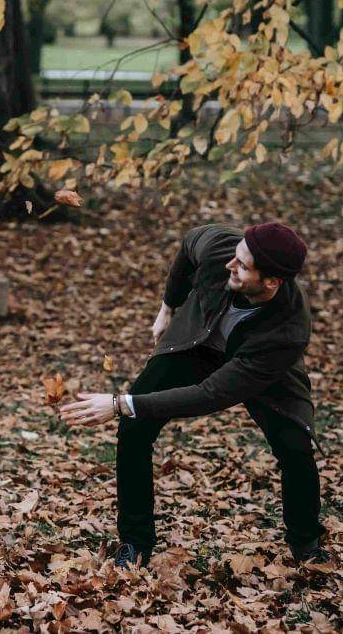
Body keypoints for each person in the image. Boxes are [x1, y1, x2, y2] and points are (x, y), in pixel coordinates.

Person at [59, 223, 327, 568]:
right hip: (197, 342)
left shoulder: (287, 332)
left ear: (272, 282)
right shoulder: (222, 248)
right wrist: (167, 307)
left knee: (295, 446)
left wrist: (119, 403)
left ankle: (306, 545)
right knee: (135, 427)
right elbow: (189, 245)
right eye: (236, 256)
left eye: (243, 266)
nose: (231, 265)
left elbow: (210, 394)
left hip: (258, 361)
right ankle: (135, 542)